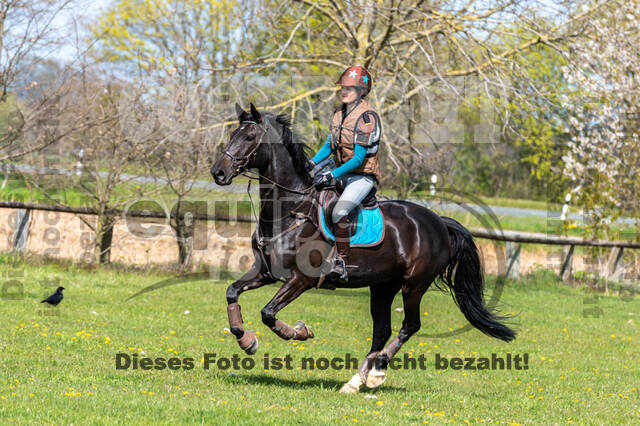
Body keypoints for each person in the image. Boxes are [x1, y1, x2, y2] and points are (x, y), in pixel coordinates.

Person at [305, 65, 382, 283]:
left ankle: (342, 262)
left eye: (350, 88)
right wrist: (311, 162)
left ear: (362, 91)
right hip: (341, 174)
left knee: (339, 212)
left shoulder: (367, 119)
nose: (344, 92)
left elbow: (358, 160)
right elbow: (329, 146)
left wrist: (330, 175)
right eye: (343, 88)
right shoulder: (339, 114)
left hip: (362, 176)